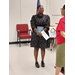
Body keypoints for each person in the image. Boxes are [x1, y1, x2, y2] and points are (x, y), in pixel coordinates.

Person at [55, 5, 65, 75]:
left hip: (62, 44)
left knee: (59, 63)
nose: (61, 10)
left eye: (62, 9)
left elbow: (62, 33)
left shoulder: (62, 20)